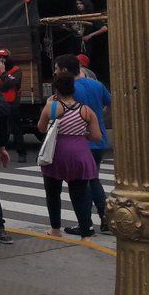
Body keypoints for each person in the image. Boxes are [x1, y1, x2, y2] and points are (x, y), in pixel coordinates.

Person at [43, 65, 106, 237]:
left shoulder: (52, 107)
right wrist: (81, 134)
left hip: (56, 154)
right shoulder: (86, 110)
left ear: (56, 89)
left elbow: (41, 128)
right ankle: (86, 230)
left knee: (53, 193)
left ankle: (55, 229)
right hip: (80, 154)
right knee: (80, 194)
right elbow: (96, 136)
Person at [0, 50, 25, 161]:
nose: (1, 59)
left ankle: (21, 153)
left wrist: (3, 74)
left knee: (16, 128)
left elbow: (9, 85)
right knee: (0, 128)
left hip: (12, 103)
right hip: (0, 102)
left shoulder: (16, 70)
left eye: (4, 57)